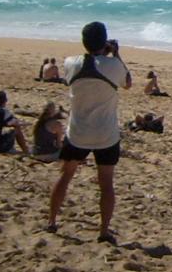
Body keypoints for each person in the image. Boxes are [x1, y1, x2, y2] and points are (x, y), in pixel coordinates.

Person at [48, 21, 130, 243]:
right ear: (104, 42)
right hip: (106, 134)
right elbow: (127, 82)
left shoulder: (70, 63)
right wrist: (116, 55)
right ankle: (103, 231)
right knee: (106, 183)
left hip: (78, 132)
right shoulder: (112, 65)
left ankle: (52, 221)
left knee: (65, 175)